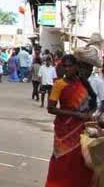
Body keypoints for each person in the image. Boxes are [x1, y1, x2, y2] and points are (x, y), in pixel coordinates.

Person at [45, 52, 98, 187]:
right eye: (65, 66)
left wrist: (90, 114)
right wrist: (76, 115)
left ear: (76, 67)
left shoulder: (83, 83)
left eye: (70, 66)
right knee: (62, 159)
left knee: (78, 160)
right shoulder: (59, 84)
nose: (67, 69)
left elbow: (93, 102)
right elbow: (51, 108)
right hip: (64, 129)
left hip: (81, 128)